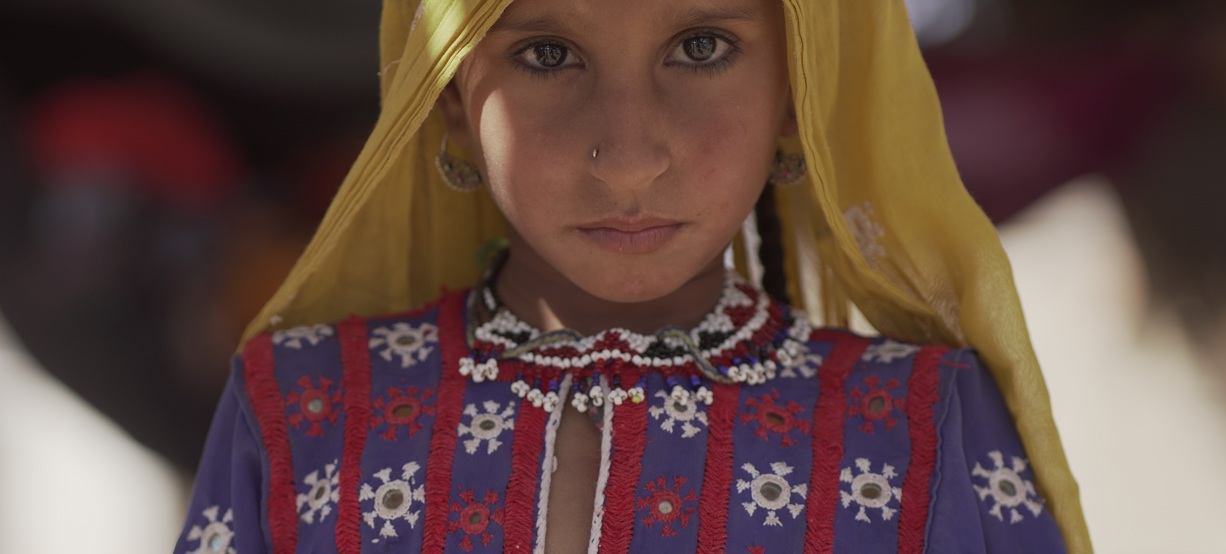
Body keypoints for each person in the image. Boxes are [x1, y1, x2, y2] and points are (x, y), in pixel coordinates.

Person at [175, 0, 1091, 551]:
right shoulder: (303, 407)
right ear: (450, 100)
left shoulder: (921, 426)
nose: (627, 158)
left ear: (797, 92)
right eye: (546, 54)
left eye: (700, 47)